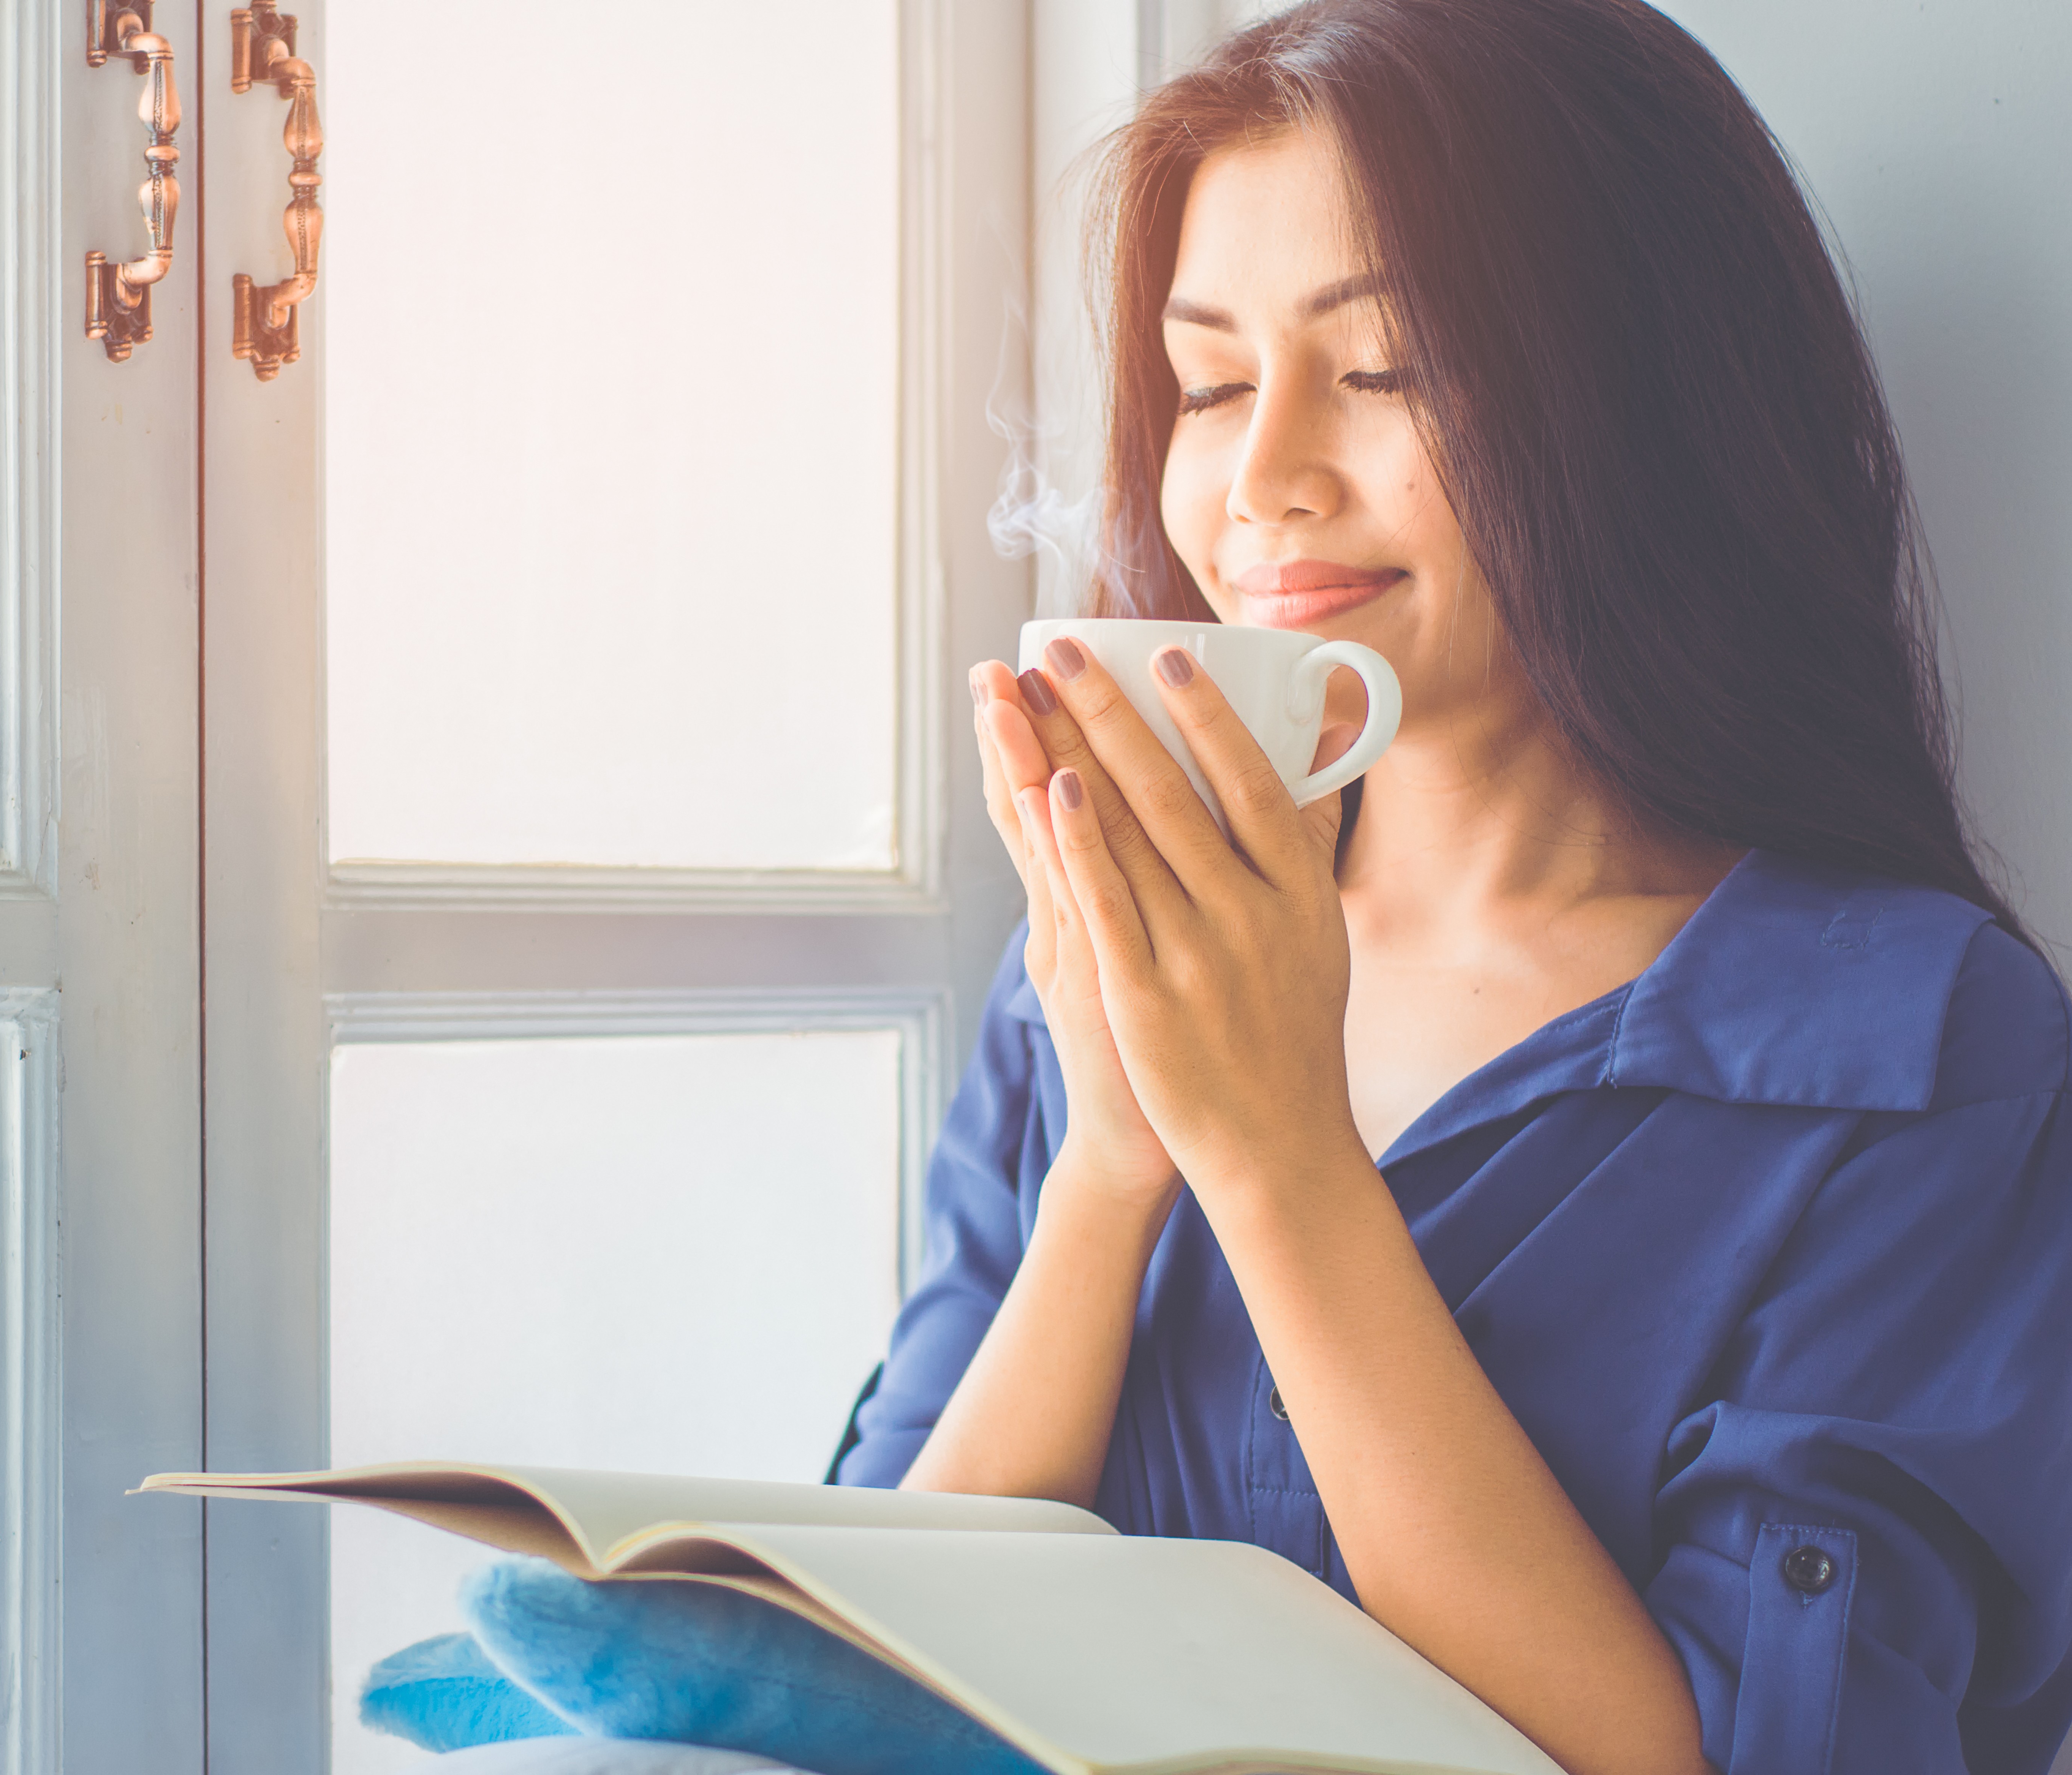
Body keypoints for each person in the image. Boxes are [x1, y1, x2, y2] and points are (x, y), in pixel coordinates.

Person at [829, 3, 2072, 1773]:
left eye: (1387, 369)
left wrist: (1276, 1165)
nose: (1259, 484)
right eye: (1208, 385)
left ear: (1642, 401)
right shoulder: (1108, 963)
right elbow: (864, 1639)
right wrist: (1114, 1163)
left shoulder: (1921, 1055)